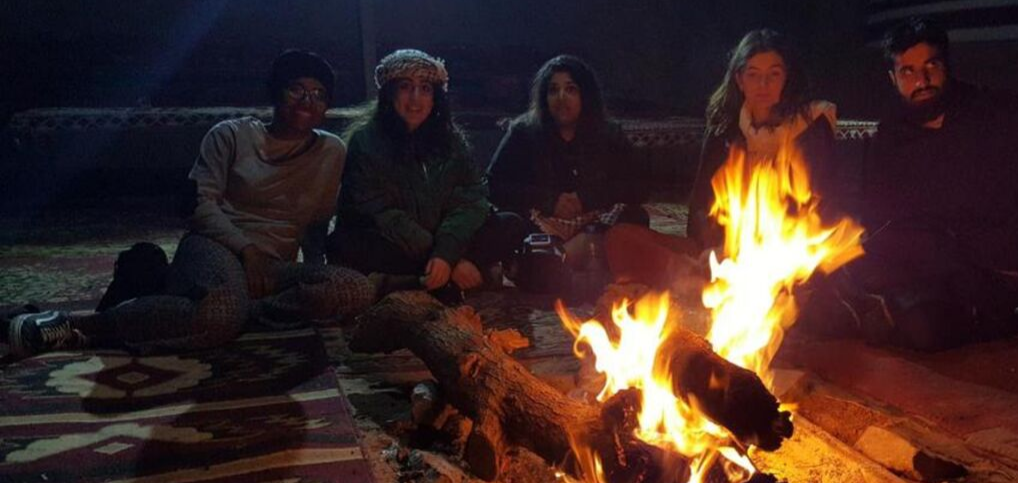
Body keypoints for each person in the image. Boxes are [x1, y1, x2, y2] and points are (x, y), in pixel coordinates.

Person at [8, 49, 374, 358]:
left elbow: (316, 225)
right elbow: (198, 205)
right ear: (277, 93)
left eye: (319, 94)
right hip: (216, 246)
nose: (308, 101)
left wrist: (313, 276)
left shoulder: (331, 150)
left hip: (273, 267)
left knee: (355, 289)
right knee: (219, 319)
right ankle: (77, 325)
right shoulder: (232, 134)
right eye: (297, 89)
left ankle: (189, 299)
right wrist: (247, 251)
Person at [806, 18, 1018, 350]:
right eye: (907, 72)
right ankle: (891, 305)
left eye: (930, 66)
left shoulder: (1002, 118)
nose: (921, 81)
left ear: (946, 65)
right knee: (833, 267)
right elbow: (879, 214)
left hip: (986, 266)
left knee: (923, 329)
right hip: (924, 262)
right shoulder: (892, 134)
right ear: (893, 79)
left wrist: (937, 243)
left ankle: (985, 315)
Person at [604, 29, 838, 291]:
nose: (763, 85)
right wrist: (713, 247)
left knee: (813, 279)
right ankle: (699, 282)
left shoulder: (808, 127)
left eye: (774, 74)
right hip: (720, 251)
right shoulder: (724, 129)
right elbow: (699, 205)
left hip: (779, 254)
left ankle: (703, 288)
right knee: (620, 239)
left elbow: (820, 206)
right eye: (753, 75)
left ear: (786, 78)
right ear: (739, 79)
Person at [328, 49, 525, 300]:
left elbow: (471, 200)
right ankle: (446, 277)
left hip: (446, 241)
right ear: (389, 93)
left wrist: (447, 252)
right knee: (344, 244)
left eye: (425, 88)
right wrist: (443, 259)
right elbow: (382, 214)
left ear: (436, 97)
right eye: (405, 87)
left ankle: (422, 281)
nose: (415, 99)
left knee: (510, 225)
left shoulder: (452, 141)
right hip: (398, 244)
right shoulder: (365, 141)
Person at [486, 55, 648, 273]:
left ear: (585, 95)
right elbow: (492, 185)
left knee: (636, 218)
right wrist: (549, 200)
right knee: (506, 223)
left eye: (571, 89)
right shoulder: (524, 132)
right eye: (553, 90)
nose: (561, 97)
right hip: (539, 224)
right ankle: (559, 262)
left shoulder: (609, 133)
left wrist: (587, 199)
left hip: (594, 225)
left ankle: (558, 262)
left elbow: (638, 187)